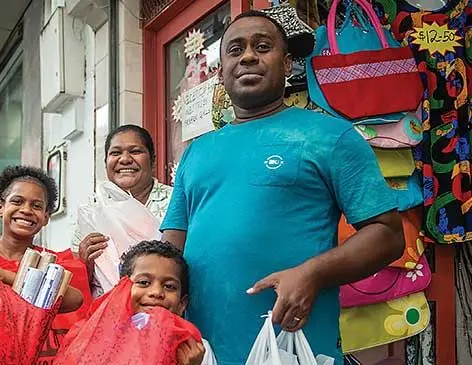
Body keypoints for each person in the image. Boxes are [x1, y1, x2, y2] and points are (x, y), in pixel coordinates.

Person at [160, 11, 405, 364]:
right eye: (235, 50)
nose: (247, 56)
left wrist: (312, 274)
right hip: (200, 351)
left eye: (262, 47)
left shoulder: (331, 136)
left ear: (287, 62)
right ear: (221, 71)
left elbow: (388, 235)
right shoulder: (196, 152)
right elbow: (172, 249)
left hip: (293, 347)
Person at [0, 165, 85, 364]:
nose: (26, 210)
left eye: (36, 205)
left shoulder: (60, 267)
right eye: (17, 201)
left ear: (46, 217)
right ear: (0, 207)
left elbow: (77, 303)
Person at [74, 125, 174, 296]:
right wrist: (85, 263)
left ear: (153, 160)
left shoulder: (175, 202)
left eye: (135, 151)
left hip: (164, 308)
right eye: (115, 153)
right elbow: (79, 286)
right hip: (111, 315)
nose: (125, 159)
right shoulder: (92, 213)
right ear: (106, 163)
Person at [120, 240, 217, 365]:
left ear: (182, 304)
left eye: (169, 286)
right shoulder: (105, 338)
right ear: (120, 291)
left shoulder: (196, 350)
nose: (156, 292)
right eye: (144, 282)